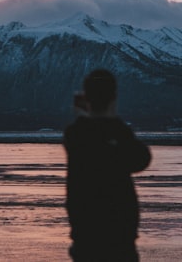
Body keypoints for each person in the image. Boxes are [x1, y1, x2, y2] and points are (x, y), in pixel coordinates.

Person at [64, 68, 152, 262]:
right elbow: (141, 159)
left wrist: (84, 117)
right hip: (119, 239)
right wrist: (111, 119)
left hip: (86, 238)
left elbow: (83, 135)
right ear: (114, 98)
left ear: (86, 98)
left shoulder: (76, 134)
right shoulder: (116, 134)